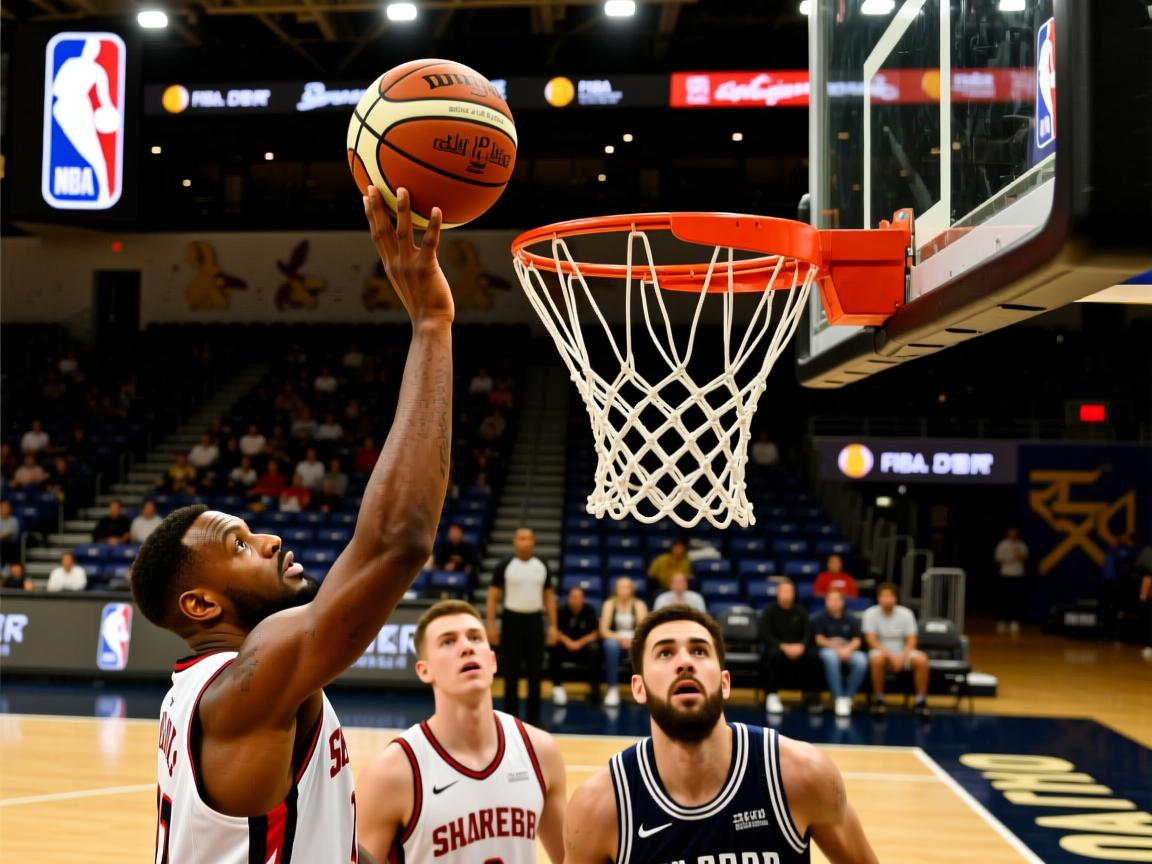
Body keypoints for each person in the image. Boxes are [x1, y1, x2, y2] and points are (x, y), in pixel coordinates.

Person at [127, 185, 454, 861]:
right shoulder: (250, 681)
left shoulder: (213, 692)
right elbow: (397, 542)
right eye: (239, 544)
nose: (270, 538)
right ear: (200, 603)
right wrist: (430, 323)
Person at [563, 605, 879, 864]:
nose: (685, 662)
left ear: (725, 683)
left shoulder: (800, 774)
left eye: (699, 651)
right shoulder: (600, 806)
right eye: (665, 653)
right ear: (639, 688)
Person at [356, 601, 567, 863]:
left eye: (475, 638)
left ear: (492, 661)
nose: (466, 647)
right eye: (448, 642)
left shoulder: (540, 751)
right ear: (424, 670)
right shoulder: (391, 773)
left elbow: (570, 858)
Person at [486, 527, 558, 725]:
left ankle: (534, 720)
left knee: (536, 673)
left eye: (528, 539)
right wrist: (491, 626)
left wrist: (553, 626)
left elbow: (549, 597)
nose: (524, 542)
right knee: (511, 673)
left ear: (533, 541)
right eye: (521, 538)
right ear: (515, 541)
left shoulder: (541, 565)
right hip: (511, 622)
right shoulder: (505, 565)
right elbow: (493, 597)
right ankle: (510, 719)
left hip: (535, 621)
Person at [862, 582, 929, 716]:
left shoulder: (906, 613)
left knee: (922, 660)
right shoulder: (870, 613)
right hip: (880, 650)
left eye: (890, 596)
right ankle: (879, 699)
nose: (886, 599)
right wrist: (892, 656)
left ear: (895, 598)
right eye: (883, 596)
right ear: (878, 598)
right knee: (877, 659)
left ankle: (920, 701)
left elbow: (912, 640)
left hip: (903, 650)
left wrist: (902, 656)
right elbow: (871, 640)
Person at [758, 578, 819, 714]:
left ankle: (812, 696)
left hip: (799, 648)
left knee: (814, 655)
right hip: (778, 647)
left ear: (794, 594)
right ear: (778, 593)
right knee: (773, 655)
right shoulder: (769, 611)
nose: (786, 594)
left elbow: (808, 632)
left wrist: (802, 646)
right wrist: (783, 646)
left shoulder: (801, 611)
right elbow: (765, 634)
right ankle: (771, 695)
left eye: (789, 591)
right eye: (783, 591)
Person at [811, 590, 868, 717]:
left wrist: (847, 649)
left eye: (837, 600)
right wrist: (837, 649)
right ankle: (838, 698)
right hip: (828, 649)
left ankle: (847, 697)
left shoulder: (852, 618)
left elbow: (857, 640)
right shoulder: (819, 618)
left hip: (849, 650)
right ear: (826, 602)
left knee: (861, 660)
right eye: (831, 600)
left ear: (843, 602)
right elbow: (819, 639)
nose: (834, 603)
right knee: (831, 657)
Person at [599, 576, 649, 708]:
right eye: (621, 587)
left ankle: (641, 687)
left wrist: (632, 639)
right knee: (610, 645)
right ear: (616, 589)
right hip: (615, 639)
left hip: (634, 639)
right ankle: (612, 689)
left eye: (627, 587)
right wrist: (619, 639)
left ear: (632, 589)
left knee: (643, 646)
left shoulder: (639, 604)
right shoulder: (609, 604)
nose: (624, 590)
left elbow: (643, 630)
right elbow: (603, 631)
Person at [551, 586, 601, 706]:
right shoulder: (562, 610)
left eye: (578, 597)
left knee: (596, 650)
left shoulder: (589, 610)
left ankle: (594, 690)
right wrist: (568, 642)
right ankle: (557, 688)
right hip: (566, 646)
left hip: (583, 646)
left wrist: (579, 643)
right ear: (568, 598)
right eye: (573, 597)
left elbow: (595, 634)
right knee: (554, 649)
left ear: (583, 598)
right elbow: (556, 632)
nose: (575, 600)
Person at [994, 527, 1029, 633]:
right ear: (1008, 532)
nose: (1013, 533)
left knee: (1016, 599)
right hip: (1006, 574)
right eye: (1011, 532)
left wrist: (1019, 554)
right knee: (1005, 599)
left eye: (1015, 532)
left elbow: (1025, 557)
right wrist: (1011, 557)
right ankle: (1003, 621)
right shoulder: (1002, 544)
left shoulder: (1021, 544)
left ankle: (1015, 621)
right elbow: (998, 559)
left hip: (1018, 575)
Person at [0, 501, 21, 565]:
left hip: (9, 546)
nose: (3, 510)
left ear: (10, 509)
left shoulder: (13, 520)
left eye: (6, 508)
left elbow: (5, 535)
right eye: (2, 508)